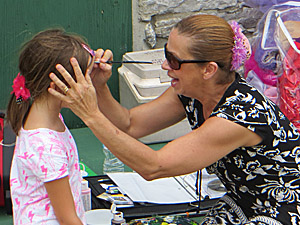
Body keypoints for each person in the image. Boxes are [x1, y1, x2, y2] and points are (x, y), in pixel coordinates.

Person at [48, 14, 300, 224]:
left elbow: (154, 166)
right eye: (166, 54)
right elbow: (130, 124)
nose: (165, 66)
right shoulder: (193, 92)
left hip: (281, 213)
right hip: (245, 204)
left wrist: (90, 114)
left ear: (208, 69)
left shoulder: (240, 116)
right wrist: (100, 88)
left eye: (174, 60)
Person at [6, 28, 93, 224]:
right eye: (85, 79)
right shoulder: (46, 145)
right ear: (56, 88)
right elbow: (68, 219)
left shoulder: (46, 116)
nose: (90, 86)